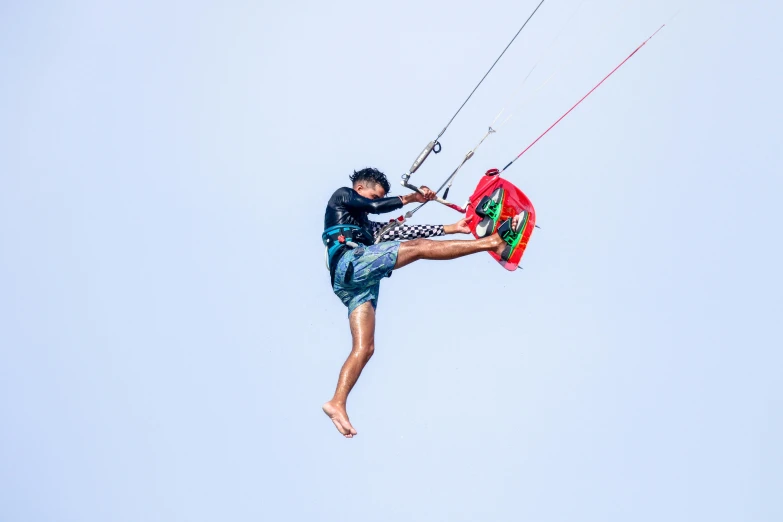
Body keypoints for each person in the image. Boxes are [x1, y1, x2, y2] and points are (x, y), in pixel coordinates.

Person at [321, 167, 524, 438]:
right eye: (372, 195)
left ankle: (337, 402)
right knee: (418, 249)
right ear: (359, 190)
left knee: (366, 347)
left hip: (352, 283)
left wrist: (452, 228)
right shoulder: (342, 197)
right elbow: (375, 206)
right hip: (351, 263)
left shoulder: (365, 226)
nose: (372, 203)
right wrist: (412, 198)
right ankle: (494, 242)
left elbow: (400, 231)